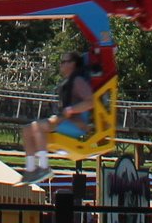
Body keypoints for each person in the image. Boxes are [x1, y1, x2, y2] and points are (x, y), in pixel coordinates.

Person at [18, 51, 95, 184]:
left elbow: (90, 102)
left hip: (76, 126)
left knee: (38, 127)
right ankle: (31, 169)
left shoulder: (78, 81)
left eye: (64, 62)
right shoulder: (67, 83)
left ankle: (44, 167)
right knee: (26, 130)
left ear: (73, 64)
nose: (61, 65)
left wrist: (72, 110)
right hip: (64, 121)